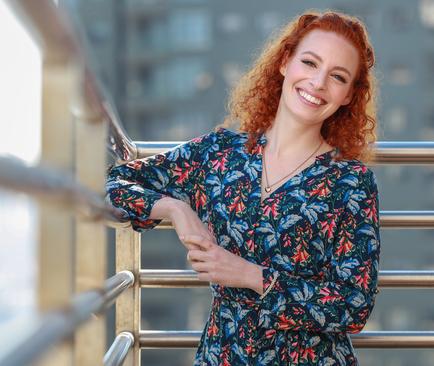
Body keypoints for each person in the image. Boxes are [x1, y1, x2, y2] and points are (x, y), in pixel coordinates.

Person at [106, 10, 380, 365]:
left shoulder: (352, 181)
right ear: (285, 62)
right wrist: (176, 209)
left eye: (338, 77)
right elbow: (112, 183)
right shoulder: (217, 153)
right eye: (310, 63)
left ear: (347, 96)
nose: (318, 83)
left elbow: (354, 305)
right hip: (223, 355)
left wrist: (251, 276)